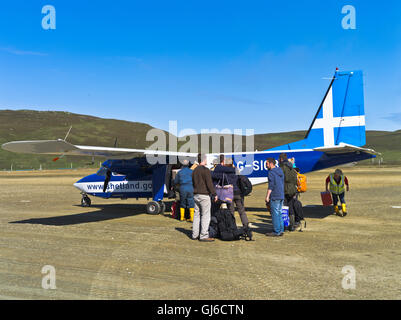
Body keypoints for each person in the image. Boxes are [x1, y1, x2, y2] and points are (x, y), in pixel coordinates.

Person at [211, 155, 250, 231]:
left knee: (231, 211)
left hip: (230, 193)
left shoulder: (224, 172)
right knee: (241, 211)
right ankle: (246, 226)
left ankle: (233, 227)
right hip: (238, 192)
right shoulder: (236, 170)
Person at [192, 154, 218, 242]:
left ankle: (194, 234)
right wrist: (214, 194)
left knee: (196, 215)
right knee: (206, 216)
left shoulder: (194, 170)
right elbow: (209, 184)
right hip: (204, 195)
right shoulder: (206, 170)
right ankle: (203, 235)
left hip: (195, 195)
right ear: (204, 159)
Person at [279, 153, 301, 229]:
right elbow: (295, 179)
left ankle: (285, 225)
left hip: (285, 189)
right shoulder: (291, 166)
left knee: (284, 207)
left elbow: (282, 179)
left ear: (281, 159)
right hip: (292, 189)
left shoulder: (282, 167)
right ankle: (292, 225)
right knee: (291, 207)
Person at [265, 157, 285, 237]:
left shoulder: (271, 172)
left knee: (275, 214)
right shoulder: (280, 171)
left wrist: (267, 196)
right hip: (281, 194)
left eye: (266, 164)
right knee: (279, 212)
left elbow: (271, 185)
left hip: (275, 195)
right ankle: (281, 230)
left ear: (271, 163)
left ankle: (276, 231)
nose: (266, 165)